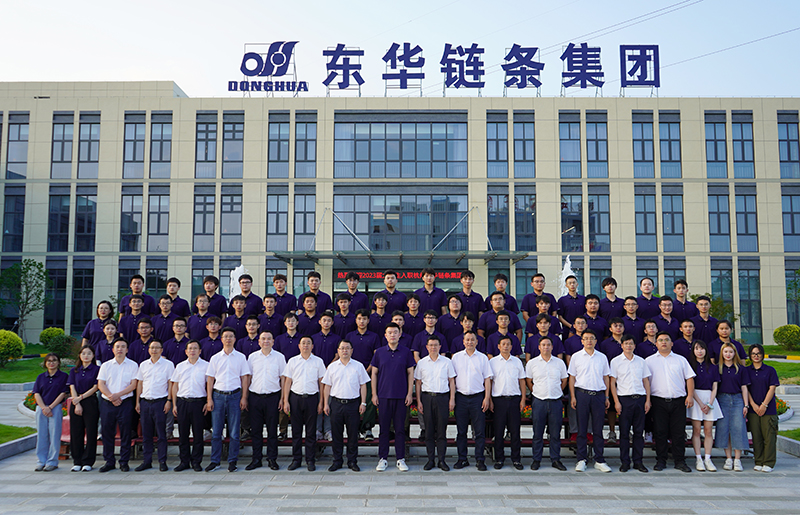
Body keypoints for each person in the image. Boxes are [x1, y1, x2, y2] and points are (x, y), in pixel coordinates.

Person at [645, 331, 695, 473]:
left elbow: (689, 378)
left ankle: (680, 461)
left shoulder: (681, 360)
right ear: (656, 344)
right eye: (660, 340)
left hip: (678, 401)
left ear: (672, 343)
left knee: (678, 432)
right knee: (660, 432)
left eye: (667, 340)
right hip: (658, 401)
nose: (664, 342)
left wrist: (690, 396)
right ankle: (661, 460)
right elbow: (645, 382)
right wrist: (648, 400)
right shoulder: (649, 361)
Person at [205, 327, 251, 472]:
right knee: (216, 432)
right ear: (221, 339)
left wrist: (244, 397)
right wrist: (209, 399)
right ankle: (215, 461)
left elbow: (244, 378)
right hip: (218, 396)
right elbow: (210, 379)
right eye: (226, 336)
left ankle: (232, 461)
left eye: (231, 336)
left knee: (235, 432)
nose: (228, 339)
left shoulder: (241, 357)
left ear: (235, 339)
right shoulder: (215, 358)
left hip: (235, 396)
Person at [371, 323, 416, 472]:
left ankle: (400, 458)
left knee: (400, 429)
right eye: (389, 332)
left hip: (401, 397)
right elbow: (374, 374)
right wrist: (374, 394)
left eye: (395, 332)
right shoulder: (379, 352)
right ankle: (383, 458)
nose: (392, 335)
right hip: (383, 396)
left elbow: (410, 373)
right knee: (384, 429)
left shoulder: (406, 352)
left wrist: (409, 393)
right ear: (385, 335)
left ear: (399, 334)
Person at [322, 339, 370, 472]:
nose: (345, 350)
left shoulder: (358, 366)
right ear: (338, 351)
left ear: (351, 350)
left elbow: (363, 385)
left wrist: (363, 402)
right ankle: (337, 461)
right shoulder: (332, 367)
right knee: (336, 435)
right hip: (336, 404)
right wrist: (326, 403)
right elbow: (327, 386)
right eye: (342, 348)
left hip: (353, 404)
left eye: (347, 348)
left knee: (353, 435)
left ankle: (352, 461)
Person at [568, 329, 612, 473]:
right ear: (582, 341)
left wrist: (606, 396)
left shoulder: (602, 357)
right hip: (582, 394)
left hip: (599, 395)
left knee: (598, 429)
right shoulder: (576, 357)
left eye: (592, 338)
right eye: (586, 338)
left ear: (595, 341)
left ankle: (599, 459)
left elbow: (606, 377)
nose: (589, 341)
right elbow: (572, 378)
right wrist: (573, 396)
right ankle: (581, 459)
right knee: (582, 429)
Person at [282, 336, 326, 471]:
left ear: (312, 346)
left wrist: (321, 402)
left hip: (312, 398)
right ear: (299, 346)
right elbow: (287, 382)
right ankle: (296, 459)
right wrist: (285, 401)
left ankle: (310, 460)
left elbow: (322, 383)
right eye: (303, 343)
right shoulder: (293, 361)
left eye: (308, 343)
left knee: (311, 431)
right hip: (296, 398)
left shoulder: (318, 361)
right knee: (296, 431)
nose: (306, 345)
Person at [451, 330, 493, 472]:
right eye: (467, 340)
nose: (470, 342)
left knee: (479, 431)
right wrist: (452, 398)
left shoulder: (483, 358)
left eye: (472, 340)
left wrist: (487, 398)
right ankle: (462, 458)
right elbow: (452, 379)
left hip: (478, 397)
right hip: (461, 397)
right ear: (463, 342)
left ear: (477, 342)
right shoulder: (456, 358)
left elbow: (487, 379)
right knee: (461, 431)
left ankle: (480, 459)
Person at [609, 334, 651, 473]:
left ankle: (638, 462)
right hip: (624, 399)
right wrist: (616, 402)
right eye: (626, 343)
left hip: (640, 398)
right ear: (622, 345)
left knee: (639, 432)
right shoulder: (616, 361)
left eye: (631, 343)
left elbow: (646, 381)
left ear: (634, 345)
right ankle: (625, 462)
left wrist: (648, 400)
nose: (628, 346)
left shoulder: (641, 361)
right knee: (624, 433)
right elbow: (612, 383)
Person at [525, 335, 568, 471]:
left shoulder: (559, 363)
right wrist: (536, 391)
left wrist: (557, 391)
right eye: (543, 345)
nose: (546, 347)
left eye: (548, 345)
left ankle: (555, 459)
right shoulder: (532, 363)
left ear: (552, 347)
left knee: (555, 433)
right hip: (539, 401)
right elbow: (529, 381)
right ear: (539, 347)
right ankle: (536, 459)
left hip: (555, 401)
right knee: (537, 433)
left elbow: (564, 380)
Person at [414, 334, 456, 471]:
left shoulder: (447, 362)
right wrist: (419, 401)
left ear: (440, 346)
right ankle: (430, 459)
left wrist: (452, 399)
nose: (433, 347)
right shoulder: (422, 363)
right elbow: (418, 383)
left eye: (435, 345)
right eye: (431, 345)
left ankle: (442, 460)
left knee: (441, 431)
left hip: (442, 398)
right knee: (429, 431)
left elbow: (451, 381)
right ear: (427, 347)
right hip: (427, 398)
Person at [97, 338, 139, 472]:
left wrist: (118, 395)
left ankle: (124, 462)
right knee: (107, 432)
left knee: (126, 433)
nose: (120, 349)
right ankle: (109, 461)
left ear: (127, 350)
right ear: (113, 349)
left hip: (125, 403)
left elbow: (133, 385)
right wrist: (111, 396)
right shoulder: (106, 365)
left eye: (123, 346)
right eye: (117, 346)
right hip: (107, 403)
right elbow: (101, 384)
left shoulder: (133, 365)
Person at [246, 331, 286, 471]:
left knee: (272, 431)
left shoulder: (279, 357)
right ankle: (256, 459)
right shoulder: (252, 357)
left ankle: (272, 459)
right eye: (263, 339)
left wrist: (282, 398)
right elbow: (248, 378)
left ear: (273, 341)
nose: (266, 341)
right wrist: (245, 397)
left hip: (272, 397)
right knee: (256, 430)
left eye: (269, 339)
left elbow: (283, 379)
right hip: (255, 397)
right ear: (259, 341)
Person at [134, 339, 175, 472]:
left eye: (157, 348)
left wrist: (169, 401)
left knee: (162, 434)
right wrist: (137, 402)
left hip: (160, 402)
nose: (154, 350)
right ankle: (147, 461)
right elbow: (140, 384)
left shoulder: (168, 365)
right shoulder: (143, 365)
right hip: (145, 402)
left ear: (161, 350)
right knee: (146, 434)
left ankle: (162, 461)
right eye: (152, 348)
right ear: (149, 350)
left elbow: (171, 384)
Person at [170, 340, 209, 472]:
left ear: (200, 351)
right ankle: (184, 461)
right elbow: (175, 386)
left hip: (199, 403)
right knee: (183, 434)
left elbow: (209, 385)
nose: (192, 351)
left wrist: (208, 401)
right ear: (186, 351)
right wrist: (174, 404)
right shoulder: (180, 366)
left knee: (198, 434)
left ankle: (196, 461)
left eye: (195, 348)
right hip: (183, 402)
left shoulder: (206, 366)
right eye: (190, 348)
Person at [489, 335, 526, 470]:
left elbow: (522, 381)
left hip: (514, 400)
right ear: (498, 346)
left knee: (515, 431)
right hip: (498, 400)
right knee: (498, 431)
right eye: (503, 344)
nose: (505, 346)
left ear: (511, 346)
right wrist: (490, 400)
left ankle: (516, 459)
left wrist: (523, 399)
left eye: (508, 344)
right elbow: (490, 382)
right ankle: (499, 459)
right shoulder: (492, 362)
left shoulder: (517, 362)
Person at [714, 342, 750, 472]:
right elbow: (714, 387)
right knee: (724, 429)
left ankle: (737, 459)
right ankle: (728, 458)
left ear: (735, 353)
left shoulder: (741, 369)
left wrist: (746, 404)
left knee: (738, 428)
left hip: (737, 399)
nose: (728, 354)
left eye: (730, 352)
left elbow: (744, 387)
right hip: (722, 399)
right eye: (725, 352)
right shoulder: (717, 368)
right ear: (722, 353)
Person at [687, 340, 721, 472]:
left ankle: (708, 458)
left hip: (709, 399)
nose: (699, 351)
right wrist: (700, 403)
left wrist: (710, 403)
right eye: (696, 348)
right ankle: (698, 459)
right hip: (696, 399)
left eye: (702, 348)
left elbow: (715, 386)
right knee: (696, 430)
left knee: (708, 431)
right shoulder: (690, 366)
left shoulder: (712, 367)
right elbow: (691, 386)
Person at [747, 343, 780, 473]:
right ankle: (759, 461)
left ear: (762, 354)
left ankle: (769, 462)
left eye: (758, 353)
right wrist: (754, 405)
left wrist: (764, 405)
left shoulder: (770, 370)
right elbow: (745, 389)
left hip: (768, 409)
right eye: (753, 354)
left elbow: (772, 388)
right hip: (753, 409)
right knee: (756, 436)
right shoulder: (747, 371)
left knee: (769, 436)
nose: (756, 356)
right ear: (750, 355)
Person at [32, 353, 68, 472]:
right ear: (45, 363)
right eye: (49, 361)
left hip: (55, 408)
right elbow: (36, 393)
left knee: (54, 435)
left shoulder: (63, 376)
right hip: (41, 409)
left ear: (58, 362)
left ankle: (52, 461)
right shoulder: (41, 377)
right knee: (42, 435)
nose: (51, 363)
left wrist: (51, 407)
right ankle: (41, 461)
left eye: (54, 360)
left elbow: (63, 393)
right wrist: (44, 408)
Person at [67, 345, 100, 471]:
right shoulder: (74, 370)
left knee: (91, 432)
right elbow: (72, 386)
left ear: (93, 356)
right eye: (83, 353)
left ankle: (88, 461)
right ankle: (77, 460)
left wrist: (81, 398)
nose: (86, 356)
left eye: (89, 353)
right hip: (76, 402)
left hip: (90, 401)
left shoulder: (97, 369)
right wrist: (77, 403)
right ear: (80, 355)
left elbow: (96, 387)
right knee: (76, 432)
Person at [557, 275, 585, 341]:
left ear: (577, 284)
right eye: (570, 283)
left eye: (574, 283)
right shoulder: (562, 300)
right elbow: (560, 317)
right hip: (567, 330)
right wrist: (571, 326)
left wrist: (579, 325)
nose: (572, 285)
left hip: (582, 330)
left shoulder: (583, 299)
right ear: (566, 285)